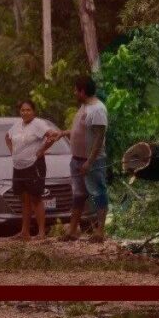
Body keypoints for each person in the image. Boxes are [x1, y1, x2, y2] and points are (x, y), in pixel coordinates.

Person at [47, 76, 109, 242]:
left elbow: (98, 138)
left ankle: (99, 231)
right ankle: (73, 230)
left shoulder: (98, 110)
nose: (74, 93)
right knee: (78, 195)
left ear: (82, 91)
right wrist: (62, 133)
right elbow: (80, 131)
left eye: (76, 90)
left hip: (92, 161)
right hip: (77, 159)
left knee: (98, 193)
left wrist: (90, 161)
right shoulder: (84, 107)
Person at [5, 100, 54, 241]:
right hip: (19, 167)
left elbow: (52, 136)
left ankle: (41, 233)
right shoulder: (16, 125)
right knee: (24, 199)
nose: (25, 112)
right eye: (22, 110)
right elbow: (7, 137)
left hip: (34, 166)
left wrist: (42, 150)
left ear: (34, 111)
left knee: (35, 198)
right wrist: (13, 152)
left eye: (28, 110)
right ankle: (24, 232)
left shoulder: (38, 124)